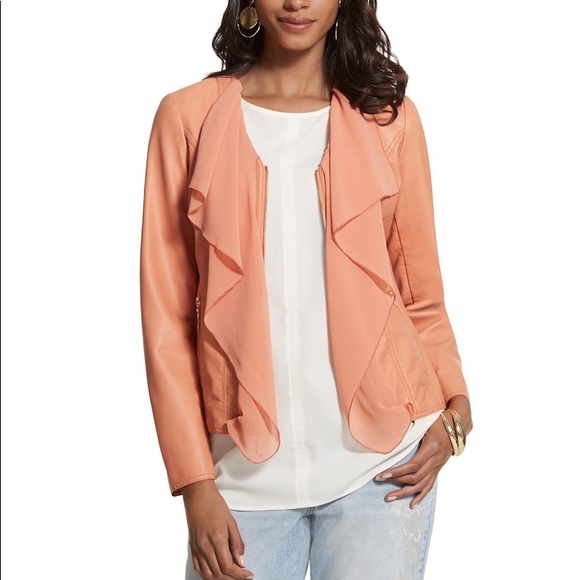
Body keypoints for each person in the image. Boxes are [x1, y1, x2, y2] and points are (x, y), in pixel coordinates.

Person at [140, 1, 473, 578]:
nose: (297, 2)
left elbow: (419, 294)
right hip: (239, 483)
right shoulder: (187, 118)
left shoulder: (389, 121)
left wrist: (456, 414)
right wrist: (195, 484)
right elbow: (166, 322)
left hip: (383, 473)